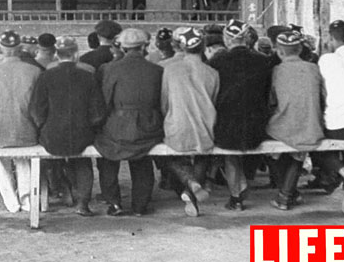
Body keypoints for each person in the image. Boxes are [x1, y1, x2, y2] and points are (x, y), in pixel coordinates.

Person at [31, 36, 106, 216]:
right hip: (83, 135)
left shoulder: (45, 76)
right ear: (76, 54)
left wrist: (44, 127)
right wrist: (90, 127)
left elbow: (36, 111)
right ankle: (83, 204)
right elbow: (98, 113)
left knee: (51, 158)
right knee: (82, 163)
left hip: (52, 136)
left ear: (56, 54)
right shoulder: (88, 76)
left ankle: (59, 188)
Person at [94, 28, 164, 216]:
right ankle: (140, 205)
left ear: (122, 48)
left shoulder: (108, 69)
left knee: (107, 157)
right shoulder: (157, 70)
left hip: (118, 126)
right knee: (142, 160)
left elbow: (105, 101)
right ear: (144, 47)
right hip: (148, 127)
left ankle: (114, 203)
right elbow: (160, 102)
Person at [209, 19, 272, 211]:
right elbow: (267, 95)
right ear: (246, 38)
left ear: (227, 39)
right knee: (242, 137)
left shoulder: (217, 61)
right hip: (257, 128)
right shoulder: (264, 61)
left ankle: (236, 195)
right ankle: (243, 184)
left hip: (226, 128)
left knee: (229, 150)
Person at [160, 28, 219, 217]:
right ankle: (191, 191)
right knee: (203, 155)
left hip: (177, 127)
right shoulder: (212, 73)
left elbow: (164, 102)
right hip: (205, 128)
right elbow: (214, 101)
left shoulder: (170, 69)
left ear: (181, 47)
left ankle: (190, 184)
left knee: (171, 157)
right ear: (203, 47)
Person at [0, 31, 42, 213]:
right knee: (23, 160)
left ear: (0, 49)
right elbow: (37, 105)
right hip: (27, 130)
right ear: (20, 49)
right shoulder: (34, 71)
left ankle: (11, 202)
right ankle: (26, 201)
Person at [266, 31, 325, 211]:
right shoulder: (314, 68)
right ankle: (289, 193)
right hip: (311, 126)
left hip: (283, 127)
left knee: (271, 146)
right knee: (299, 150)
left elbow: (272, 101)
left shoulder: (276, 71)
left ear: (279, 52)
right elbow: (322, 97)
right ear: (300, 49)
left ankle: (285, 195)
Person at [317, 20, 344, 214]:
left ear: (330, 38)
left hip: (336, 121)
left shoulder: (325, 60)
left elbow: (323, 92)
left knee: (320, 149)